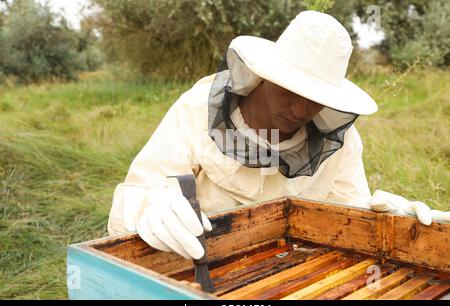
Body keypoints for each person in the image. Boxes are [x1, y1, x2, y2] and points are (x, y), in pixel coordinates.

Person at [108, 11, 448, 260]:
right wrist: (149, 209)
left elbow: (349, 213)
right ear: (266, 75)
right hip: (198, 268)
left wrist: (392, 225)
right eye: (291, 91)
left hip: (290, 273)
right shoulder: (196, 109)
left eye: (315, 99)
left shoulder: (341, 139)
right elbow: (142, 190)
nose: (300, 110)